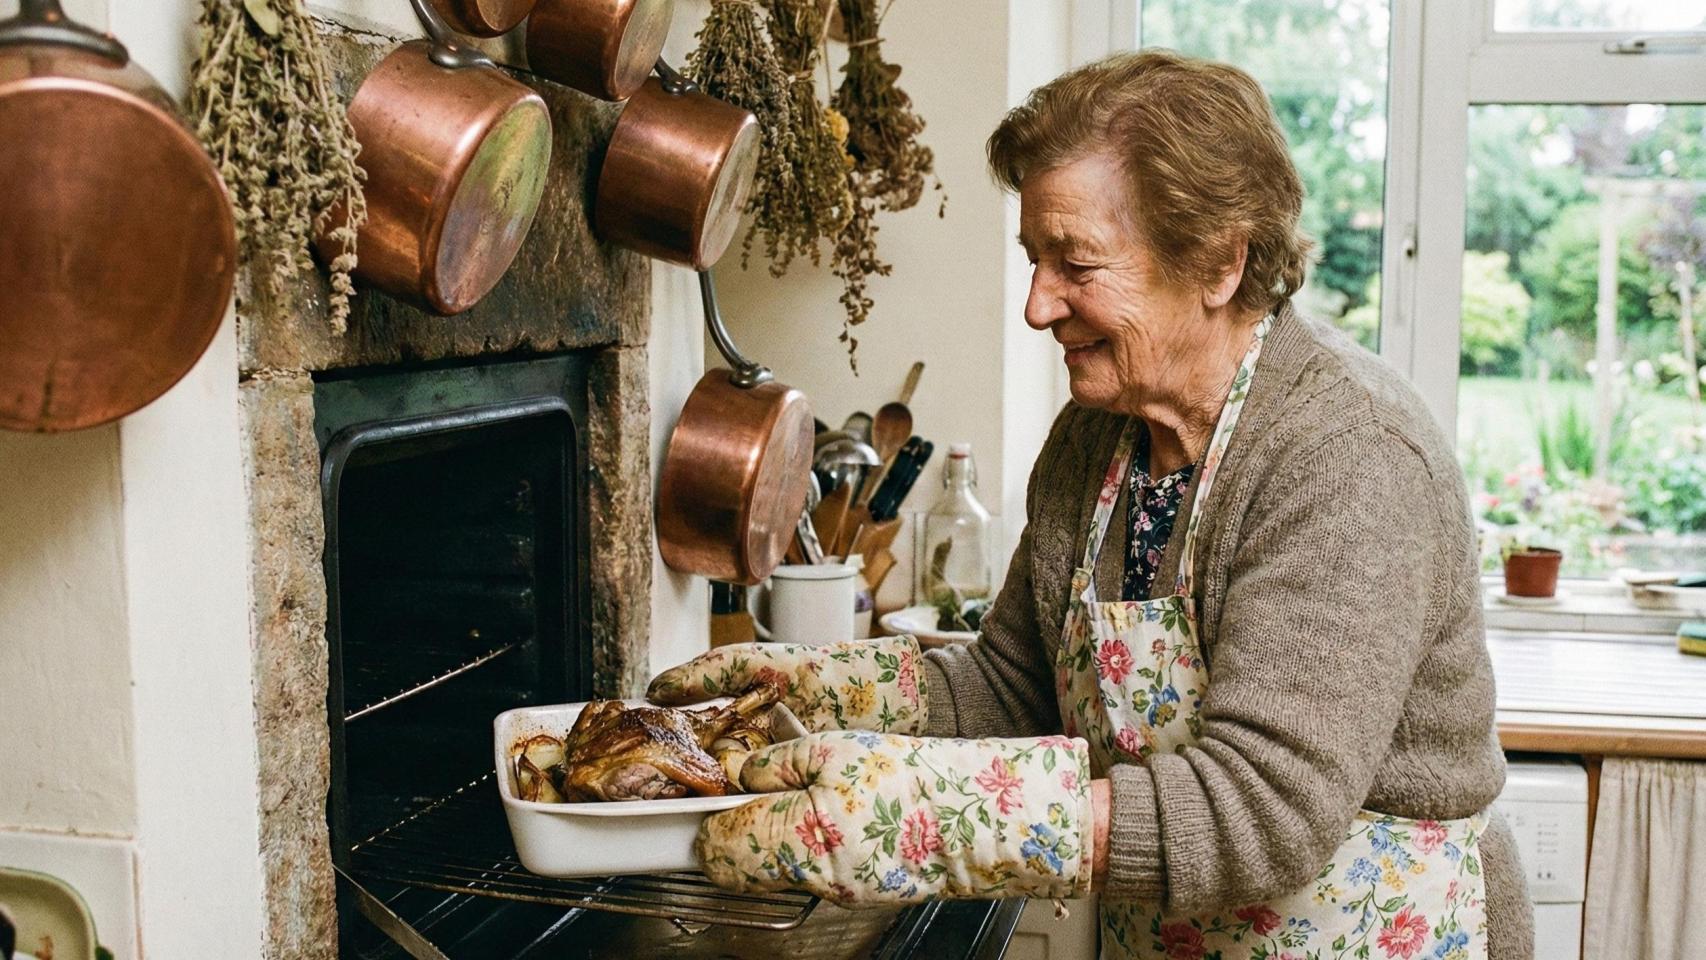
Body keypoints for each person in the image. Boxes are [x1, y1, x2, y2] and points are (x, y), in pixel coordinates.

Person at [649, 49, 1533, 959]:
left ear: (1221, 261)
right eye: (1035, 259)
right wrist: (826, 686)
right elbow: (1012, 685)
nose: (1038, 305)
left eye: (1076, 262)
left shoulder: (1346, 457)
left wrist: (929, 820)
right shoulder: (1095, 439)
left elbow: (1265, 807)